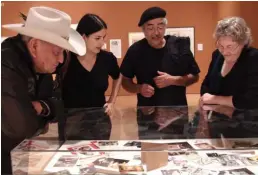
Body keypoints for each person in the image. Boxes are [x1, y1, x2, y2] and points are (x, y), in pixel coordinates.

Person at [1, 6, 86, 174]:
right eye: (57, 52)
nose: (61, 59)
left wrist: (41, 107)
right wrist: (42, 119)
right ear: (34, 46)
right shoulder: (5, 64)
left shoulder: (42, 67)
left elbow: (59, 105)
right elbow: (21, 126)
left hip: (16, 152)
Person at [120, 6, 200, 108]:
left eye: (160, 27)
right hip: (147, 113)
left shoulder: (179, 45)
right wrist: (139, 88)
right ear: (143, 30)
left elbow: (195, 76)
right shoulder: (135, 51)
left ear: (165, 27)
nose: (156, 32)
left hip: (177, 113)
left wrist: (173, 80)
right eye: (150, 28)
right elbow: (125, 81)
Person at [62, 13, 121, 115]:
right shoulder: (65, 58)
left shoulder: (107, 58)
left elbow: (118, 76)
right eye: (97, 38)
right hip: (71, 123)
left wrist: (112, 102)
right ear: (84, 37)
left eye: (104, 37)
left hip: (100, 121)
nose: (102, 42)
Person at [200, 16, 258, 109]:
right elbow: (206, 85)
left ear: (243, 43)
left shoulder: (253, 57)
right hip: (217, 119)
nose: (225, 52)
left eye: (230, 46)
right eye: (221, 45)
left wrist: (215, 99)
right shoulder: (217, 55)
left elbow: (253, 99)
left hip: (246, 120)